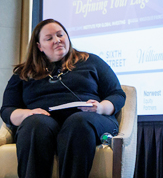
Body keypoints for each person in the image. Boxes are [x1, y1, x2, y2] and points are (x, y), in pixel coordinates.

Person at [1, 19, 126, 178]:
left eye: (61, 35)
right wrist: (27, 114)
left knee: (78, 122)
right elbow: (7, 110)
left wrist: (100, 107)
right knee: (34, 124)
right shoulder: (24, 73)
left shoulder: (91, 61)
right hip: (43, 122)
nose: (57, 40)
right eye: (49, 38)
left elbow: (117, 94)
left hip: (90, 120)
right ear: (39, 46)